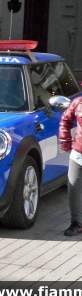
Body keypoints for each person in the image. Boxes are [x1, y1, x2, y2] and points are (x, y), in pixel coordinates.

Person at [59, 96, 82, 236]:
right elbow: (65, 120)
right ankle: (76, 223)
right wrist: (65, 140)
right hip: (78, 152)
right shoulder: (78, 102)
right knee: (73, 186)